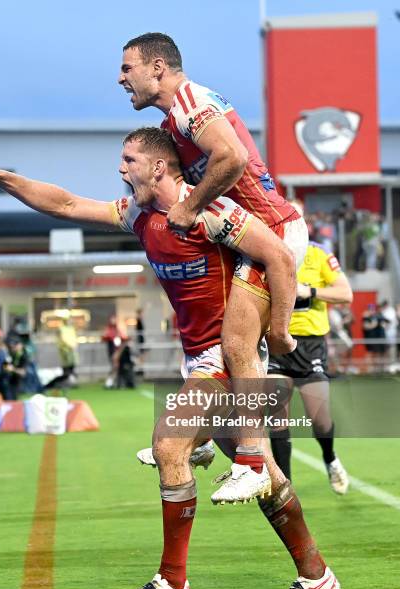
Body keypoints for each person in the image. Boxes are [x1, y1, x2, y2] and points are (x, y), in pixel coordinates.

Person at [0, 128, 338, 589]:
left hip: (225, 358)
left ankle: (172, 585)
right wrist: (6, 179)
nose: (120, 168)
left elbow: (280, 258)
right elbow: (68, 205)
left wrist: (279, 330)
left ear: (159, 167)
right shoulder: (139, 213)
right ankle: (317, 574)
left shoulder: (210, 211)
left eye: (128, 159)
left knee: (168, 444)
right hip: (197, 359)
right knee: (269, 482)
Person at [118, 33, 309, 496]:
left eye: (128, 68)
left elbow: (233, 156)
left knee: (236, 341)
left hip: (272, 232)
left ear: (157, 66)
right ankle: (202, 441)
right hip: (254, 237)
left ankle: (252, 462)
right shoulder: (175, 115)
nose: (121, 78)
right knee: (225, 352)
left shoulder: (189, 101)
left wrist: (189, 207)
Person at [267, 239, 353, 493]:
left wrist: (311, 292)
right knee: (277, 418)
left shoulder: (319, 255)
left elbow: (345, 293)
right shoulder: (265, 251)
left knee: (320, 420)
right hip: (276, 344)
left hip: (311, 345)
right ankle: (285, 489)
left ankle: (330, 458)